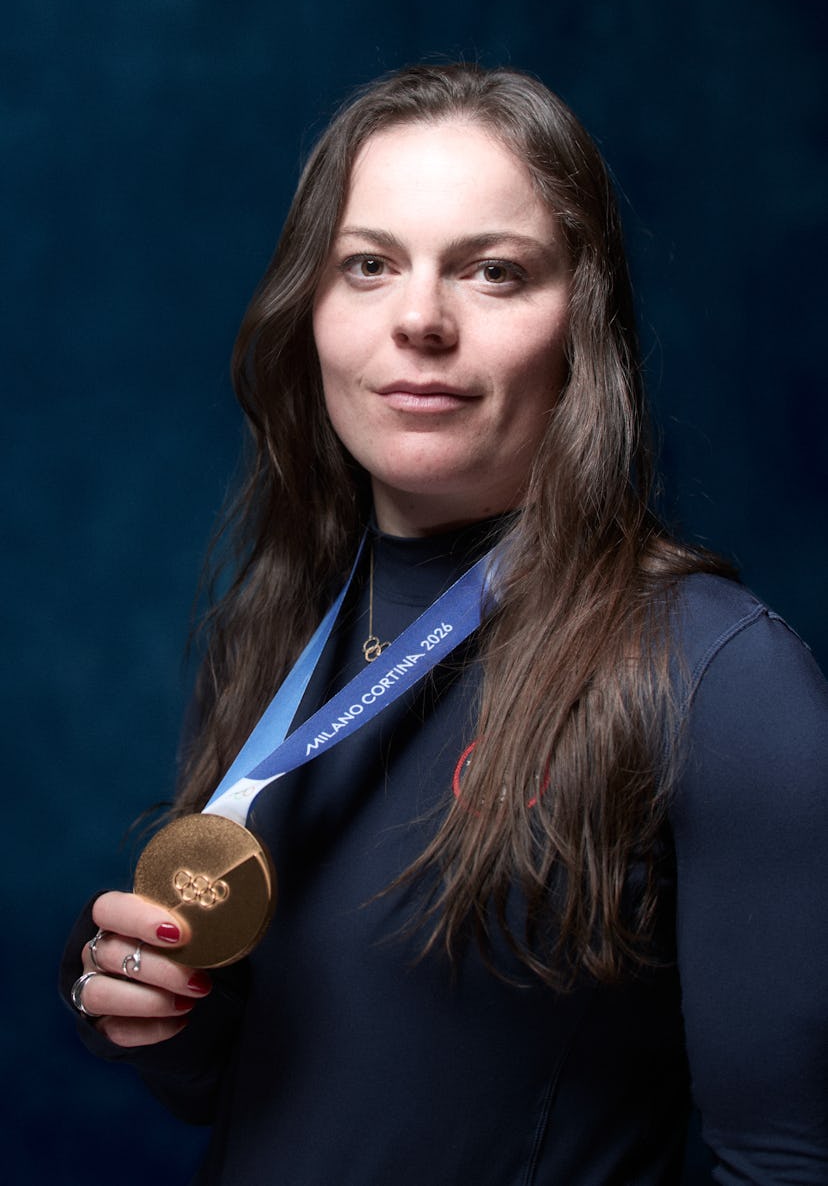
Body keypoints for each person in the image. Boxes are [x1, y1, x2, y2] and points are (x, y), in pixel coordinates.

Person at [61, 63, 828, 1184]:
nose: (419, 319)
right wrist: (163, 1018)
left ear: (582, 324)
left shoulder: (722, 677)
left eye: (493, 271)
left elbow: (790, 1162)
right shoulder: (269, 634)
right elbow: (285, 1098)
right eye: (368, 265)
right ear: (310, 311)